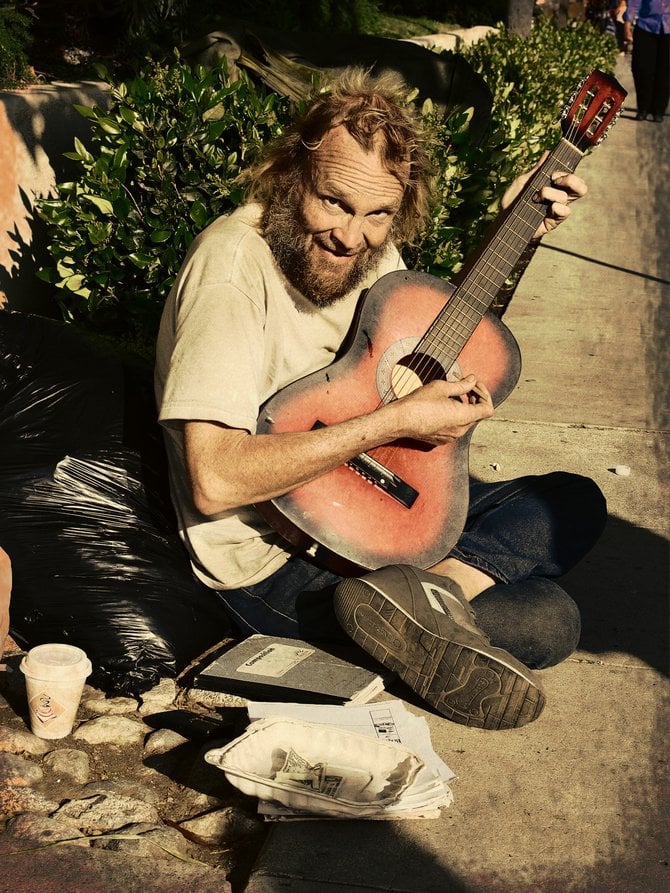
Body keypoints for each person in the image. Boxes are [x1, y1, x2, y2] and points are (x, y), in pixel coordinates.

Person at [155, 68, 606, 730]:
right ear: (289, 172)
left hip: (373, 508)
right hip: (273, 560)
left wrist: (516, 230)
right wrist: (392, 421)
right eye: (333, 202)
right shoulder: (232, 271)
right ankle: (416, 607)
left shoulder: (369, 248)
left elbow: (430, 340)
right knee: (548, 619)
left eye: (378, 215)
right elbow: (215, 479)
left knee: (573, 502)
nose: (350, 237)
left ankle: (416, 603)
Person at [624, 0, 670, 121]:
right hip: (645, 26)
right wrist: (627, 24)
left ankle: (658, 110)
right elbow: (634, 2)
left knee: (665, 71)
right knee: (642, 69)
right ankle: (643, 108)